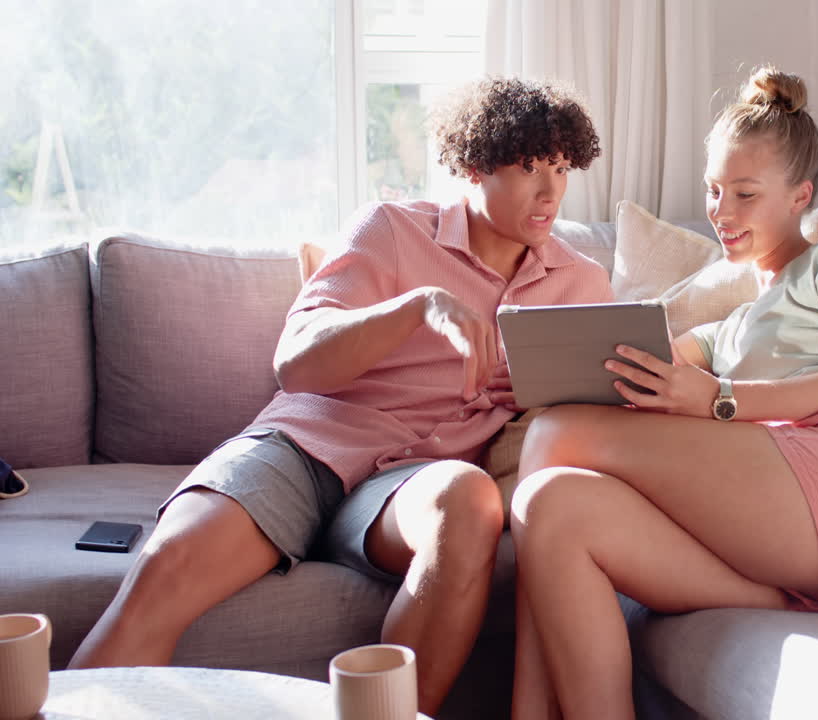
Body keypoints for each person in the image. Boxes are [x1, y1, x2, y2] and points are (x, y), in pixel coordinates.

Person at [69, 76, 613, 716]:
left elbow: (596, 416)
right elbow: (294, 363)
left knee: (466, 502)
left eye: (559, 168)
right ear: (473, 165)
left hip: (413, 484)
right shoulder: (392, 230)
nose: (549, 192)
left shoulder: (583, 282)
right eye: (527, 168)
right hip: (305, 448)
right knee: (164, 573)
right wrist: (415, 308)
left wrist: (540, 391)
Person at [508, 66, 818, 719]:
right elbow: (643, 369)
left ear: (800, 197)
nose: (720, 213)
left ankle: (523, 712)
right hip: (783, 524)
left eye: (745, 194)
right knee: (551, 506)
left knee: (556, 436)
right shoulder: (732, 325)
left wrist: (721, 401)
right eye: (714, 190)